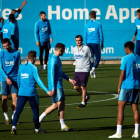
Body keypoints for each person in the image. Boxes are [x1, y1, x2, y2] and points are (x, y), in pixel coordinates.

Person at [11, 51, 53, 135]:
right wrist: (47, 90)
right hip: (31, 94)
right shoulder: (34, 68)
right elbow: (38, 80)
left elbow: (18, 81)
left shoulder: (21, 67)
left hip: (21, 93)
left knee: (18, 110)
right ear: (34, 58)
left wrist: (20, 90)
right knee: (35, 111)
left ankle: (13, 127)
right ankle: (37, 129)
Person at [39, 43, 76, 131]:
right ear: (60, 50)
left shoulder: (57, 59)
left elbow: (60, 72)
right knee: (61, 104)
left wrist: (69, 79)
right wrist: (53, 88)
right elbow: (51, 75)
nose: (64, 52)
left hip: (57, 85)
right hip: (56, 86)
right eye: (63, 50)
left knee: (55, 105)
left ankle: (38, 119)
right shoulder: (53, 60)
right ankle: (63, 125)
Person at [108, 41, 140, 138]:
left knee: (120, 107)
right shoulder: (138, 58)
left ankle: (118, 133)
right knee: (135, 108)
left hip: (126, 86)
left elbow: (122, 74)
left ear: (126, 49)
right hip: (136, 86)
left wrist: (119, 86)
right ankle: (136, 132)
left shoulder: (125, 59)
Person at [0, 38, 20, 124]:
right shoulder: (1, 53)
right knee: (4, 98)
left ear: (10, 43)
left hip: (14, 78)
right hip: (3, 79)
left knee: (15, 98)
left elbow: (19, 66)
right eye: (4, 46)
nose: (6, 48)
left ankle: (13, 117)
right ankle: (6, 117)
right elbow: (0, 67)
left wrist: (20, 78)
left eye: (7, 46)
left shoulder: (16, 53)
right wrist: (6, 78)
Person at [73, 35, 93, 108]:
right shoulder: (74, 49)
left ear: (82, 40)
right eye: (77, 40)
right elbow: (76, 58)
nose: (78, 42)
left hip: (85, 70)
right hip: (77, 70)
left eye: (79, 40)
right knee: (75, 87)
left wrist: (90, 68)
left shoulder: (86, 48)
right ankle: (86, 96)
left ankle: (83, 102)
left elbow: (91, 58)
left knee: (83, 87)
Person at [84, 10, 104, 78]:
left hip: (89, 43)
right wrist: (102, 43)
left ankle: (92, 72)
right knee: (98, 58)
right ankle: (93, 69)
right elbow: (101, 35)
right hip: (96, 43)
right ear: (96, 16)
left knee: (91, 59)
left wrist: (86, 44)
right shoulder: (98, 24)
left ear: (90, 16)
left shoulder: (87, 25)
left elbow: (85, 36)